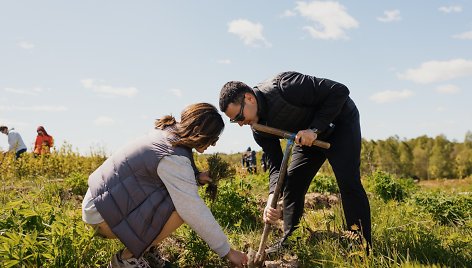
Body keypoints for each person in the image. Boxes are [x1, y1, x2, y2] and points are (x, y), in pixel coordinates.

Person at [219, 71, 371, 252]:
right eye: (234, 121)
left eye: (239, 117)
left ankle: (361, 246)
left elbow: (339, 91)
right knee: (293, 183)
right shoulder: (259, 130)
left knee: (348, 183)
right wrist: (271, 199)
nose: (240, 123)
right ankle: (291, 239)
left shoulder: (286, 85)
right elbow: (276, 166)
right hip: (305, 138)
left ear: (249, 98)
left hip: (339, 123)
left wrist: (315, 129)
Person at [81, 103, 248, 268]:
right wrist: (228, 252)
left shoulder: (168, 132)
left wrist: (196, 177)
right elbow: (193, 210)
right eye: (213, 139)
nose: (214, 144)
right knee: (181, 210)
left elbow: (156, 176)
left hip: (98, 201)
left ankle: (146, 250)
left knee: (175, 198)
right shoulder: (173, 156)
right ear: (199, 132)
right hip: (101, 214)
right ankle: (126, 260)